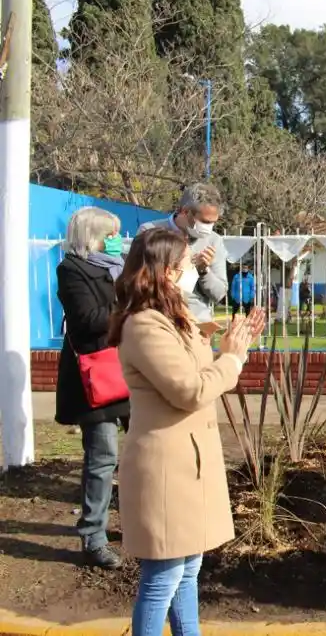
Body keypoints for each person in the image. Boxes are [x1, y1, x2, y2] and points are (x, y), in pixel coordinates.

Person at [108, 228, 264, 636]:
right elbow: (191, 390)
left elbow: (200, 370)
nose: (191, 272)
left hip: (188, 462)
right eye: (183, 267)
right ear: (162, 273)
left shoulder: (173, 317)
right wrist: (229, 359)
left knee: (187, 568)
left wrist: (234, 347)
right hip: (166, 468)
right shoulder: (144, 326)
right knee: (162, 577)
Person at [55, 207, 131, 570]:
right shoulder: (72, 269)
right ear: (94, 236)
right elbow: (87, 321)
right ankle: (93, 537)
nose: (116, 240)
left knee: (144, 450)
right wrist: (131, 309)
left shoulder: (118, 266)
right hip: (96, 379)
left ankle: (137, 521)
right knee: (103, 458)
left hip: (130, 369)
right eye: (111, 234)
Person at [138, 183, 227, 323]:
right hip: (157, 318)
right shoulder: (150, 231)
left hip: (197, 323)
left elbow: (219, 294)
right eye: (204, 221)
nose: (208, 228)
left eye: (213, 223)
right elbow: (137, 280)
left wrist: (204, 271)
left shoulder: (213, 240)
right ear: (185, 211)